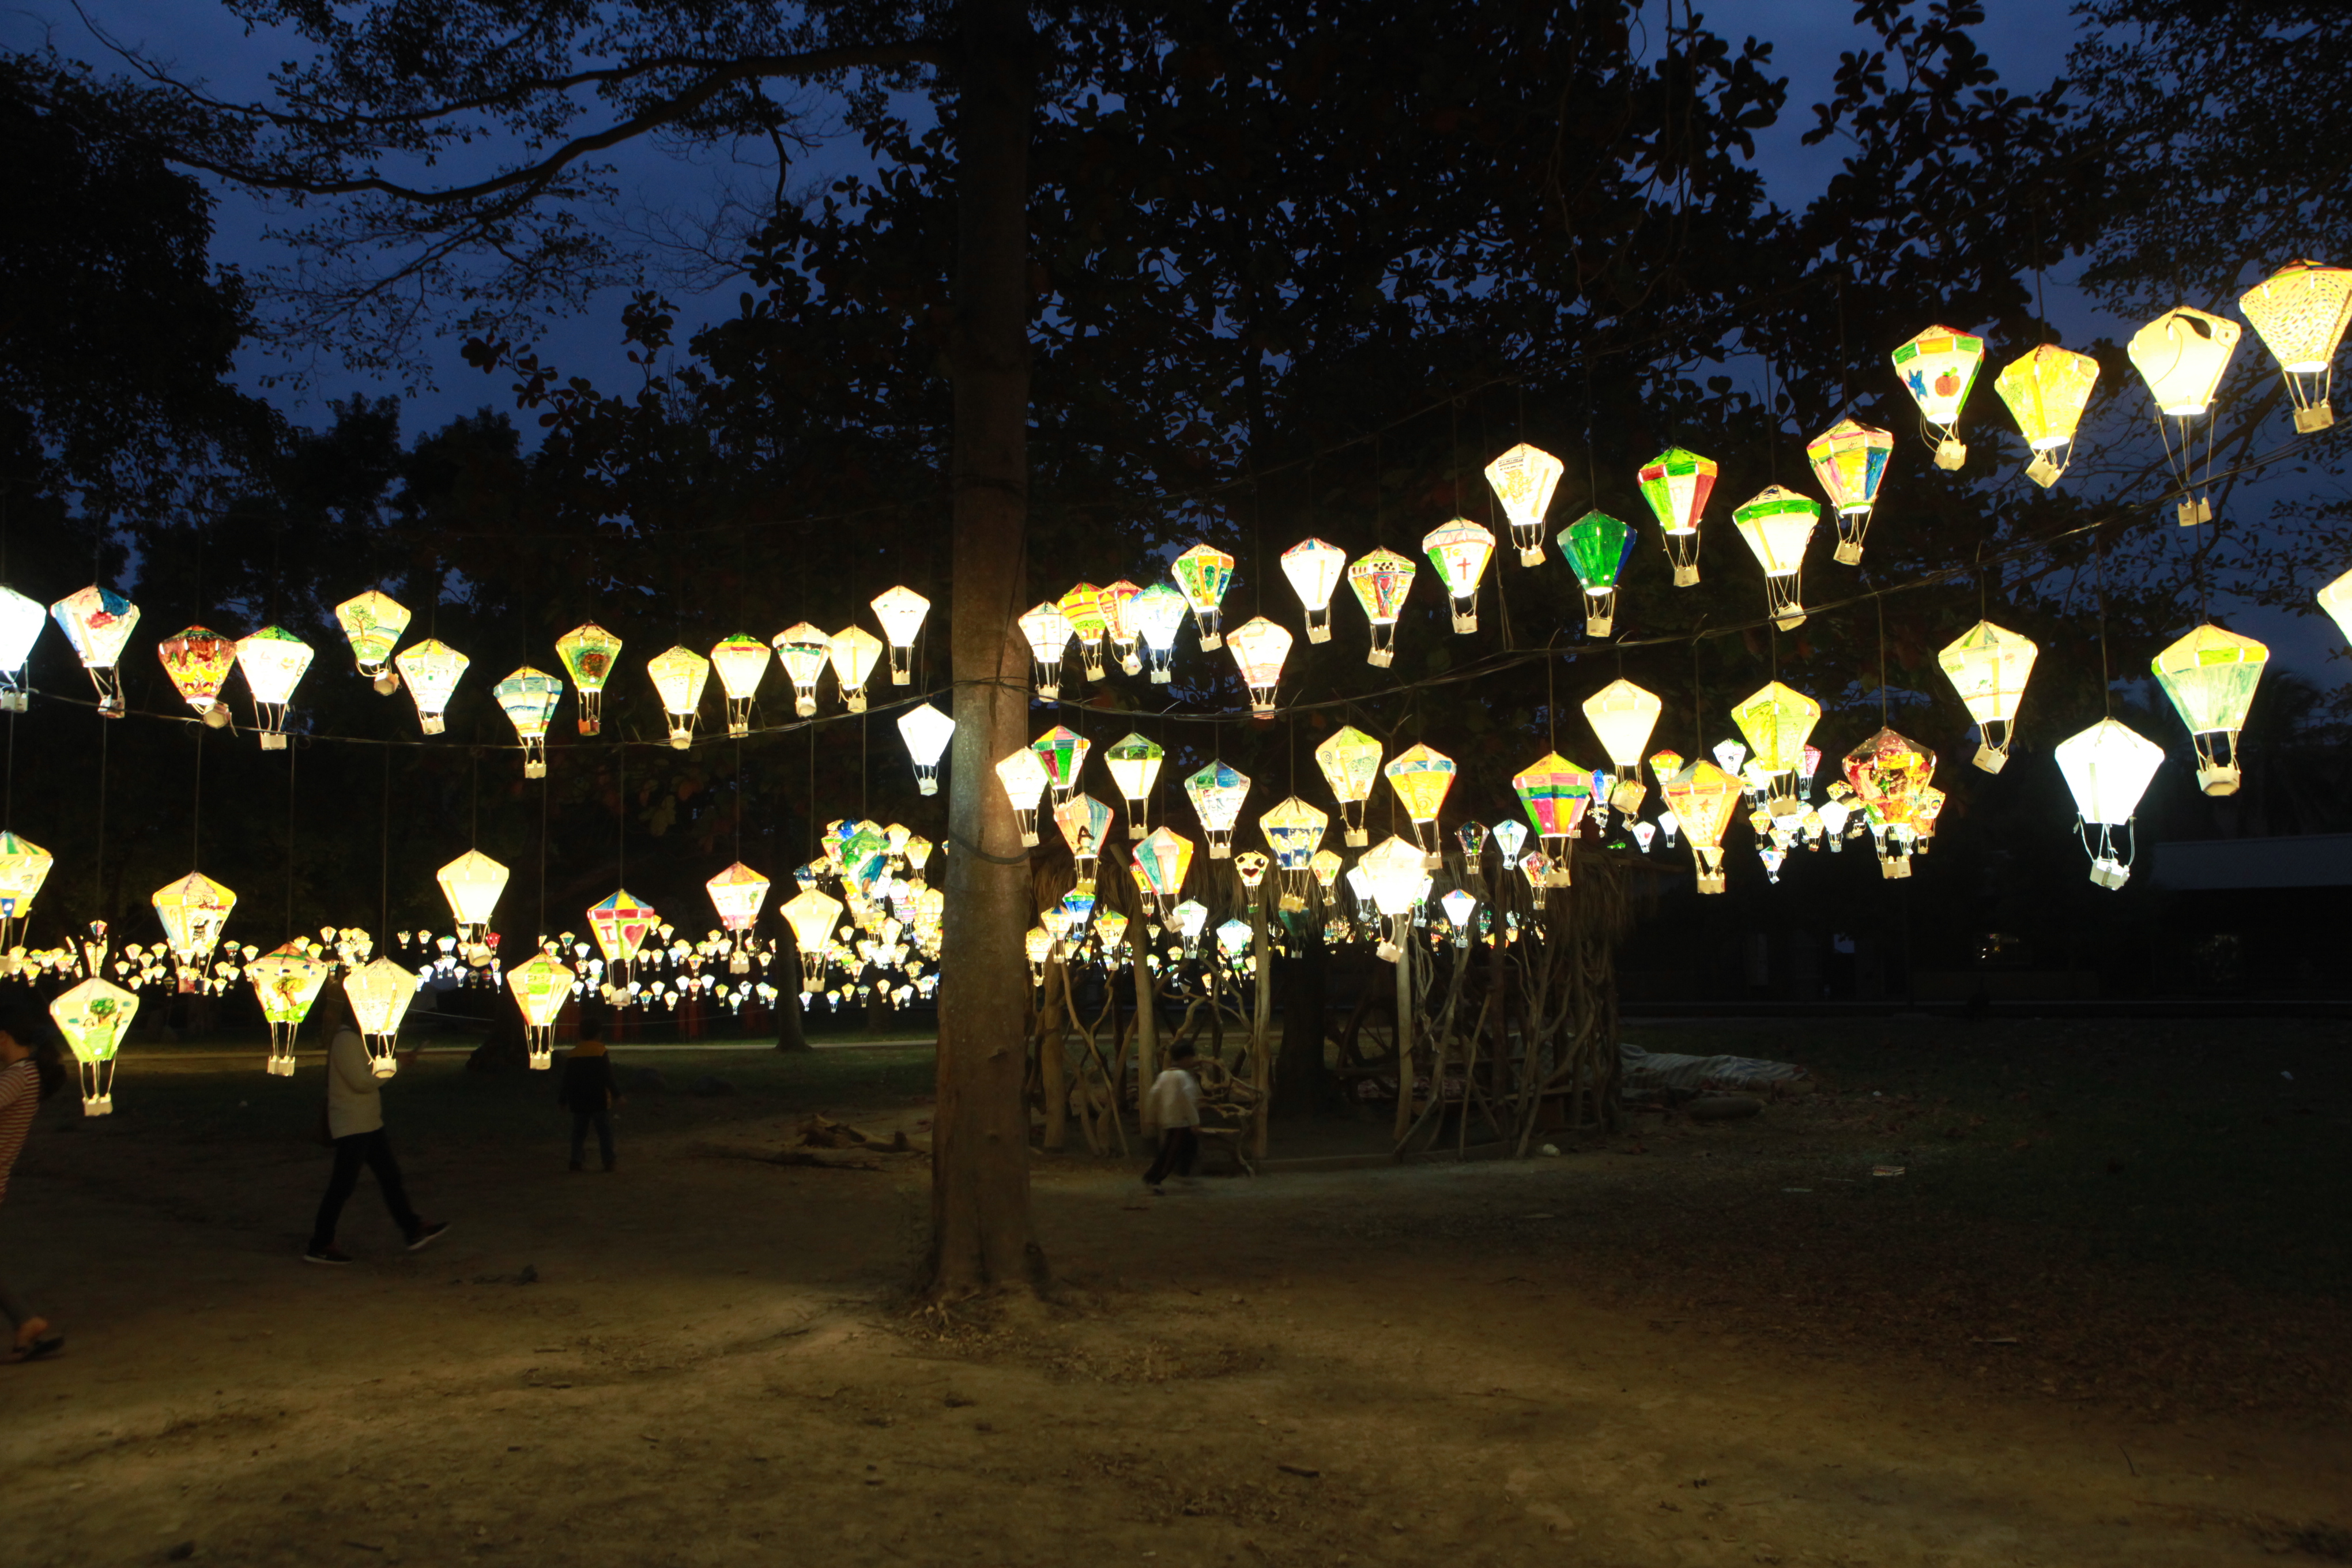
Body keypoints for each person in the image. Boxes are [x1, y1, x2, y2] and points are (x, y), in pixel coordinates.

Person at [306, 989, 449, 1265]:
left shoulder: (356, 1040)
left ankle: (412, 1229)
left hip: (367, 1123)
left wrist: (392, 1063)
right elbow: (362, 1082)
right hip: (353, 1125)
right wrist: (393, 1067)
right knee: (343, 1185)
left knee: (390, 1178)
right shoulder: (346, 1040)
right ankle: (320, 1243)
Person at [0, 1002, 68, 1361]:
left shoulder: (19, 1076)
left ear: (4, 1037)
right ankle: (26, 1324)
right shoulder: (24, 1074)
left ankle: (27, 1322)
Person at [558, 1014, 620, 1172]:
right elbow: (608, 1076)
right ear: (599, 1034)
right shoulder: (600, 1052)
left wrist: (563, 1099)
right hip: (598, 1098)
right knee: (604, 1131)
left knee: (579, 1131)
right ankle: (609, 1160)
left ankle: (576, 1160)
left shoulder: (573, 1054)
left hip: (578, 1099)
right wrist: (617, 1095)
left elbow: (567, 1079)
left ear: (580, 1034)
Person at [1141, 1042, 1203, 1196]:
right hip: (1179, 1121)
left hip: (1168, 1119)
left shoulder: (1164, 1075)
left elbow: (1153, 1095)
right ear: (1186, 1058)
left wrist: (1151, 1116)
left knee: (1186, 1146)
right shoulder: (1182, 1077)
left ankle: (1183, 1173)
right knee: (1171, 1152)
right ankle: (1155, 1178)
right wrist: (1195, 1121)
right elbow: (1187, 1100)